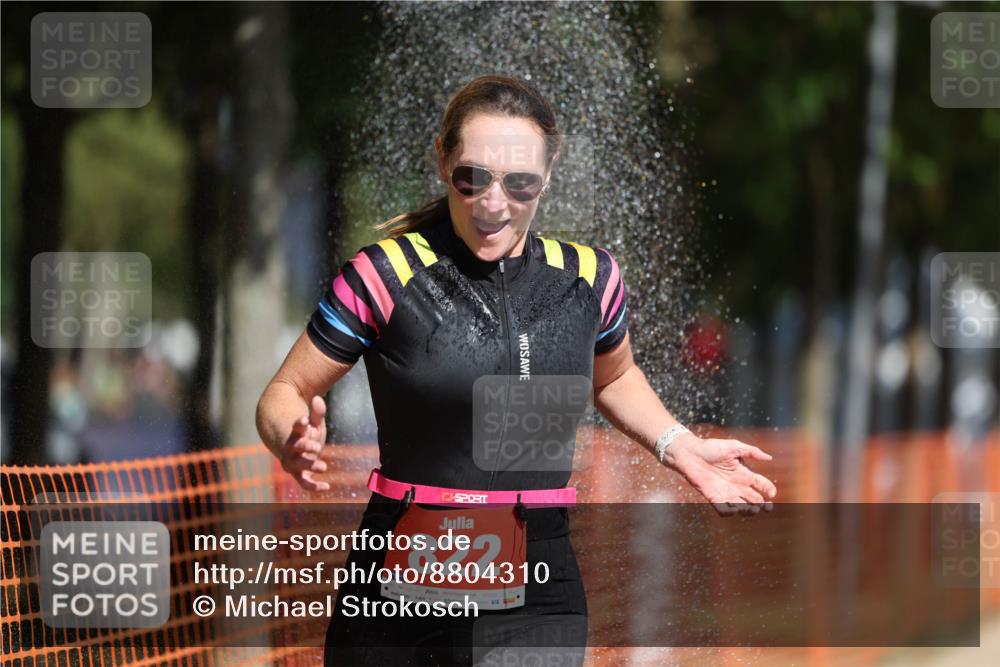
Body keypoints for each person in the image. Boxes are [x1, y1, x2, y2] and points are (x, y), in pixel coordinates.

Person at [256, 74, 778, 666]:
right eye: (471, 178)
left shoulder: (588, 279)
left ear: (548, 175)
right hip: (398, 581)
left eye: (521, 183)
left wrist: (679, 446)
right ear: (442, 161)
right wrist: (290, 436)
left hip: (535, 584)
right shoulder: (385, 274)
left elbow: (612, 376)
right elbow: (286, 390)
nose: (495, 204)